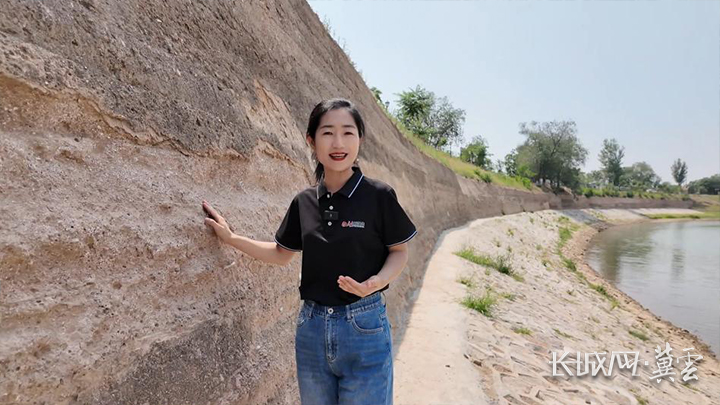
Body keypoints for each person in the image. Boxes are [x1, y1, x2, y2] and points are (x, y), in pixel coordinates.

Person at [202, 98, 417, 405]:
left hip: (364, 328)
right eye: (328, 133)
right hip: (312, 330)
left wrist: (376, 282)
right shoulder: (304, 201)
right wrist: (232, 237)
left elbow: (398, 251)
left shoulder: (378, 195)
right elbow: (281, 253)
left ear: (360, 139)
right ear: (311, 141)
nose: (338, 143)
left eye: (348, 132)